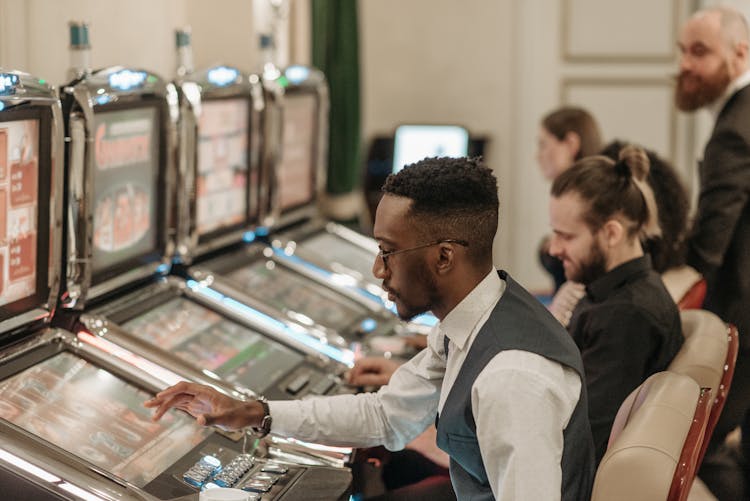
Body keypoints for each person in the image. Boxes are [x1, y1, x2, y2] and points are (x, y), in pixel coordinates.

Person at [146, 156, 596, 500]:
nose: (378, 268)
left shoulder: (510, 378)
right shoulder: (479, 318)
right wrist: (254, 413)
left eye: (388, 250)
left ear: (444, 256)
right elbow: (387, 416)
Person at [548, 145, 684, 463]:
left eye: (566, 237)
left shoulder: (627, 317)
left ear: (611, 233)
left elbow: (582, 442)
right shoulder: (610, 295)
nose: (554, 248)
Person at [675, 7, 750, 499]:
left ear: (739, 53)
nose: (684, 64)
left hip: (743, 313)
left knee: (705, 444)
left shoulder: (734, 126)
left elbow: (711, 241)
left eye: (699, 51)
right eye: (682, 50)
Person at [536, 107, 603, 292]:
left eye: (543, 144)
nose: (537, 156)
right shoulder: (570, 197)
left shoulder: (592, 198)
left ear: (571, 144)